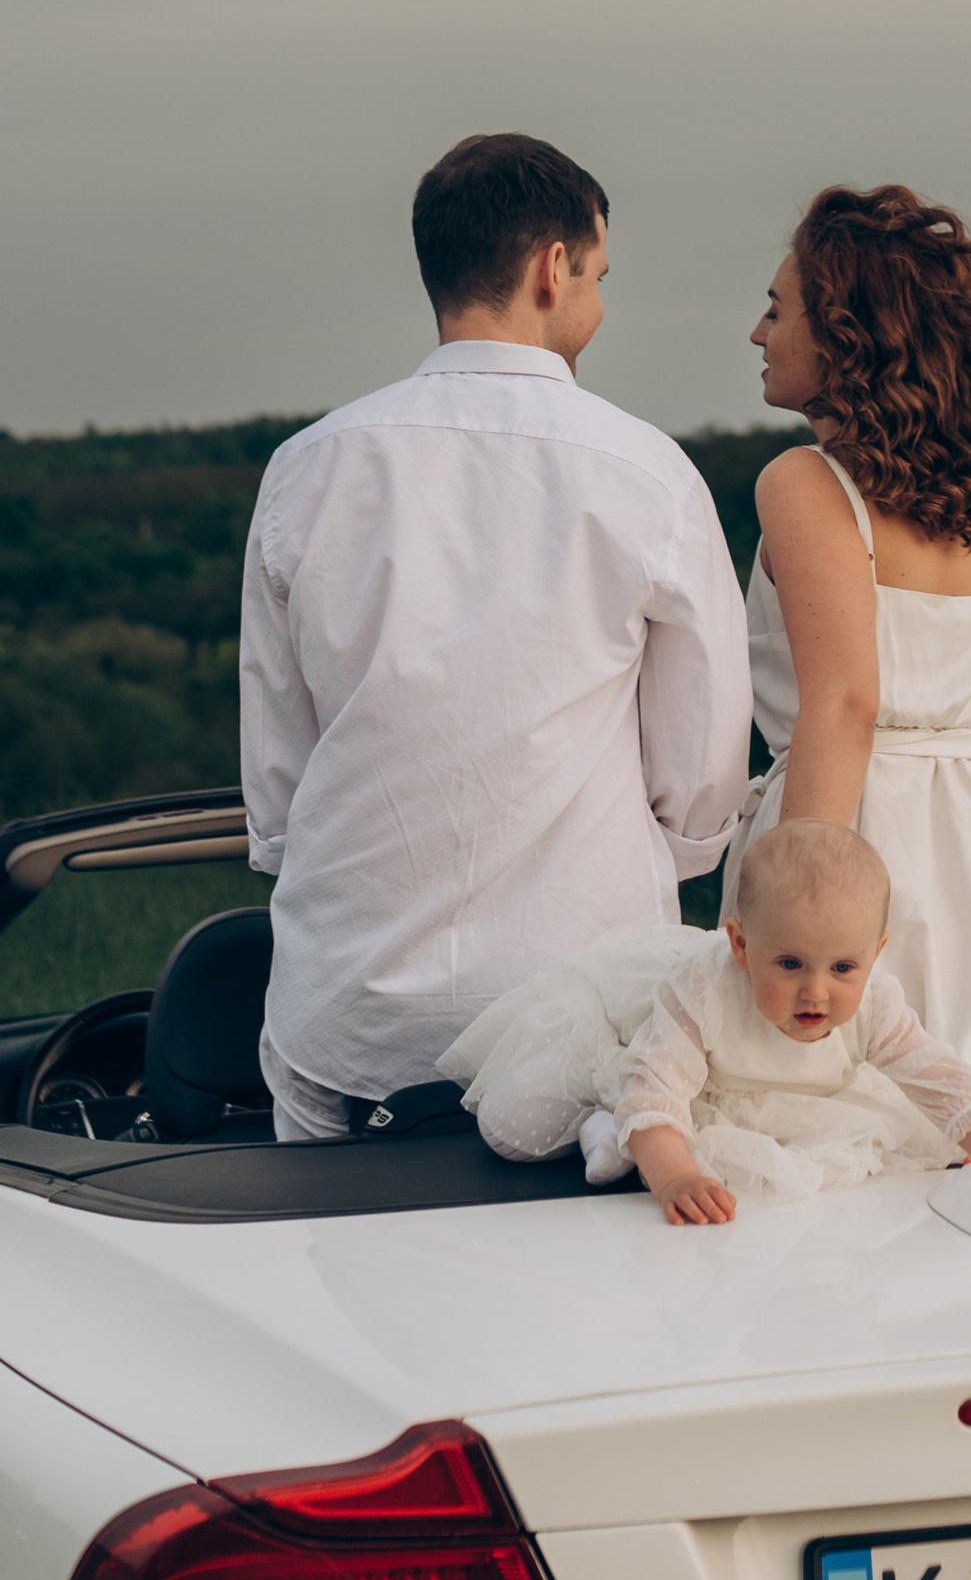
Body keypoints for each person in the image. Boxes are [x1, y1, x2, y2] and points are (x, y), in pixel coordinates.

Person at [240, 132, 753, 1135]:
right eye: (599, 274)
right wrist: (650, 855)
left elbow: (280, 781)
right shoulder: (649, 474)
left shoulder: (306, 468)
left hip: (345, 1018)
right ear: (552, 270)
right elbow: (701, 782)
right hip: (583, 1011)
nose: (597, 298)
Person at [732, 181, 971, 1091]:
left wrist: (805, 916)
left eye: (778, 310)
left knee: (816, 1095)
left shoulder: (803, 484)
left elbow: (844, 707)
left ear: (843, 332)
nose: (757, 333)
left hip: (860, 844)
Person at [611, 821, 971, 1227]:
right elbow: (652, 1089)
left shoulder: (875, 1007)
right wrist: (677, 1177)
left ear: (875, 954)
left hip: (816, 1104)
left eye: (842, 968)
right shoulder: (704, 992)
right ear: (741, 946)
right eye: (790, 964)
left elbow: (945, 1081)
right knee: (629, 1104)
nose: (815, 991)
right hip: (713, 1097)